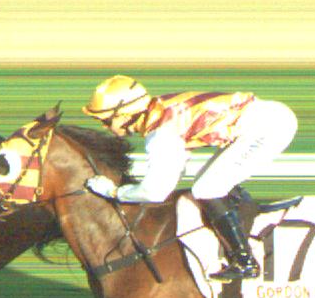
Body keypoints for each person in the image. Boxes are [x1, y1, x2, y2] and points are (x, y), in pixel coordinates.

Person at [81, 75, 297, 280]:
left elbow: (155, 192)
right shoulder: (159, 110)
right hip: (267, 119)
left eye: (106, 121)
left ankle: (245, 261)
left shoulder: (161, 133)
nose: (104, 127)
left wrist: (114, 192)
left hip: (269, 129)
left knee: (207, 188)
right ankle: (239, 216)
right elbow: (174, 169)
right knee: (206, 183)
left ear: (124, 115)